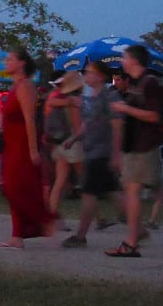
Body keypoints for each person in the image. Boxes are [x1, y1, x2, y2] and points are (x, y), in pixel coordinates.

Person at [60, 61, 125, 248]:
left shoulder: (109, 95)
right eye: (86, 72)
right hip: (92, 149)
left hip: (101, 152)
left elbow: (117, 126)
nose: (86, 76)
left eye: (90, 72)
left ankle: (80, 236)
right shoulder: (91, 98)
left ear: (101, 76)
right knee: (113, 193)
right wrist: (74, 138)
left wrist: (116, 154)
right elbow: (87, 124)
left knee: (89, 193)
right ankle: (138, 229)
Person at [105, 44, 161, 257]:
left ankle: (131, 241)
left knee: (133, 193)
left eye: (124, 58)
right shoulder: (136, 84)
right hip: (134, 146)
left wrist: (124, 108)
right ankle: (136, 234)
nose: (122, 62)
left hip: (143, 146)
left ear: (134, 60)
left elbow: (155, 116)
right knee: (132, 192)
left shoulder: (150, 83)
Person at [0, 49, 55, 249]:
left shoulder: (25, 86)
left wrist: (32, 150)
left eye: (10, 59)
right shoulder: (15, 87)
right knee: (12, 187)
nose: (6, 62)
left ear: (21, 63)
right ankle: (19, 233)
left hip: (22, 145)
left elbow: (30, 119)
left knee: (17, 187)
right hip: (12, 144)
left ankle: (42, 221)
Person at [44, 71, 84, 227]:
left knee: (59, 181)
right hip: (70, 143)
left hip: (57, 143)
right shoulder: (70, 100)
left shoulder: (56, 97)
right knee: (85, 180)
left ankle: (52, 216)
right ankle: (100, 217)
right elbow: (77, 125)